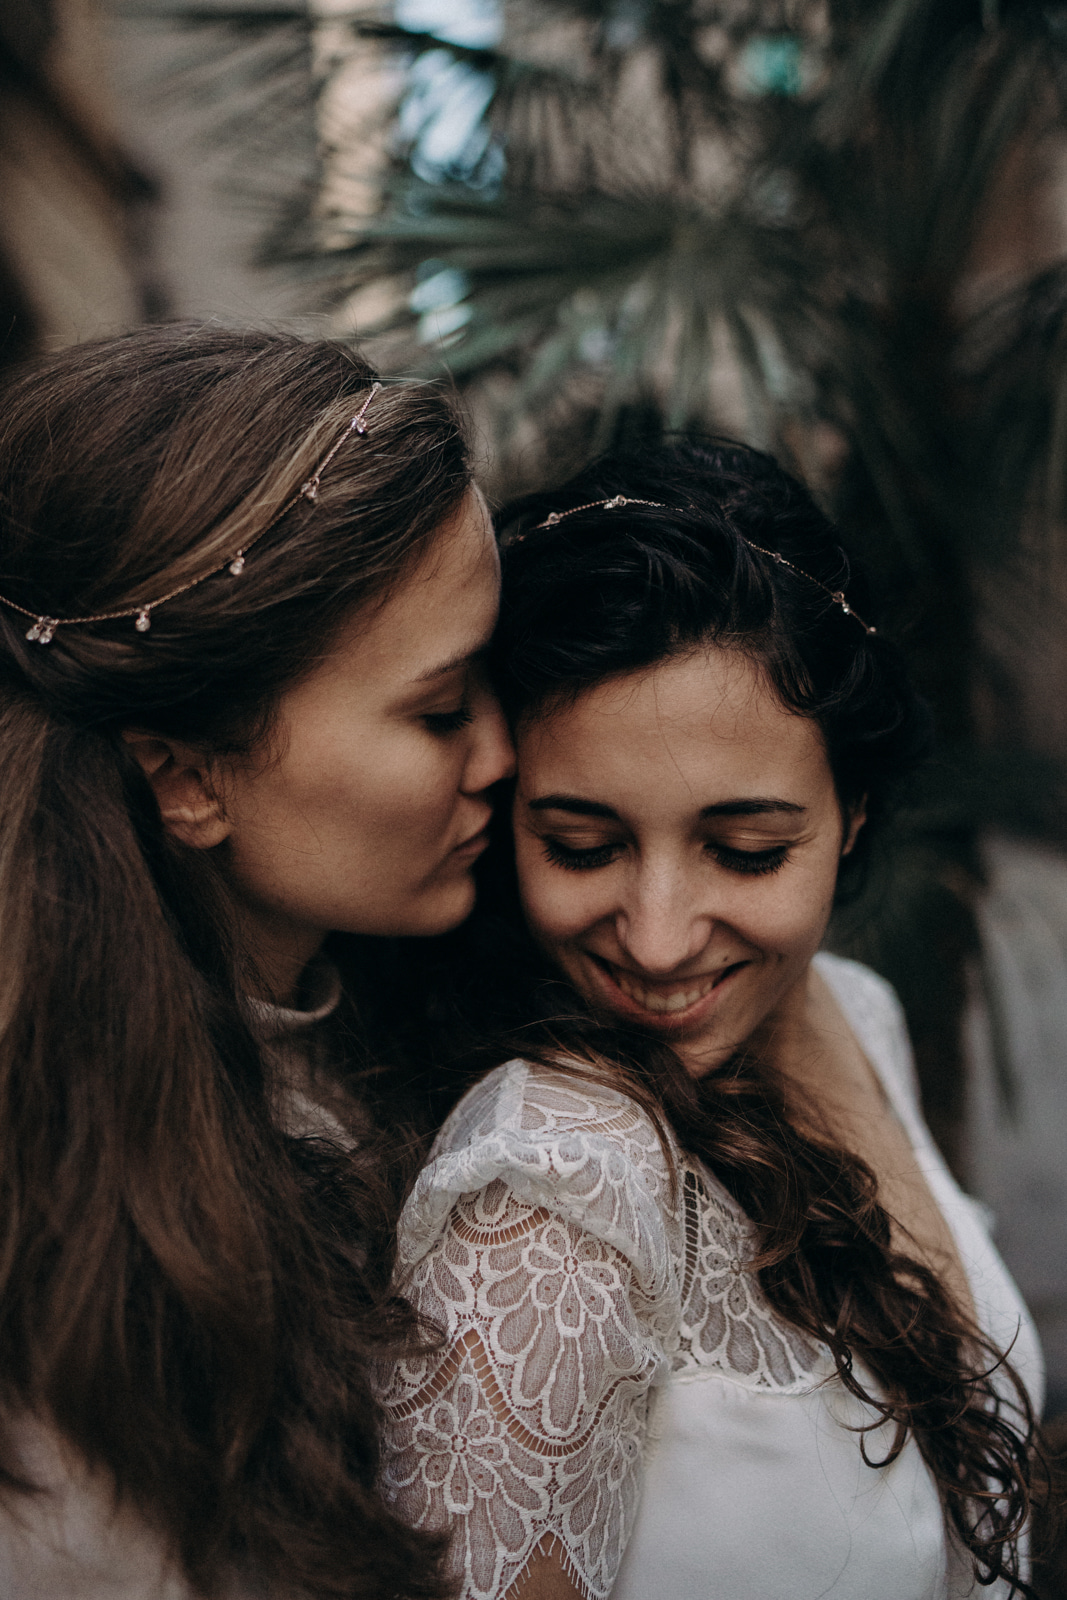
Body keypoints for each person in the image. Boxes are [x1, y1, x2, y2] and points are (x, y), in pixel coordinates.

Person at [378, 438, 1044, 1599]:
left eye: (744, 850)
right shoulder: (547, 1188)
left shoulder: (855, 1011)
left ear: (853, 812)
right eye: (581, 845)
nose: (657, 936)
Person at [0, 323, 513, 1599]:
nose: (502, 755)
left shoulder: (411, 1005)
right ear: (185, 775)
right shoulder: (64, 1261)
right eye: (441, 710)